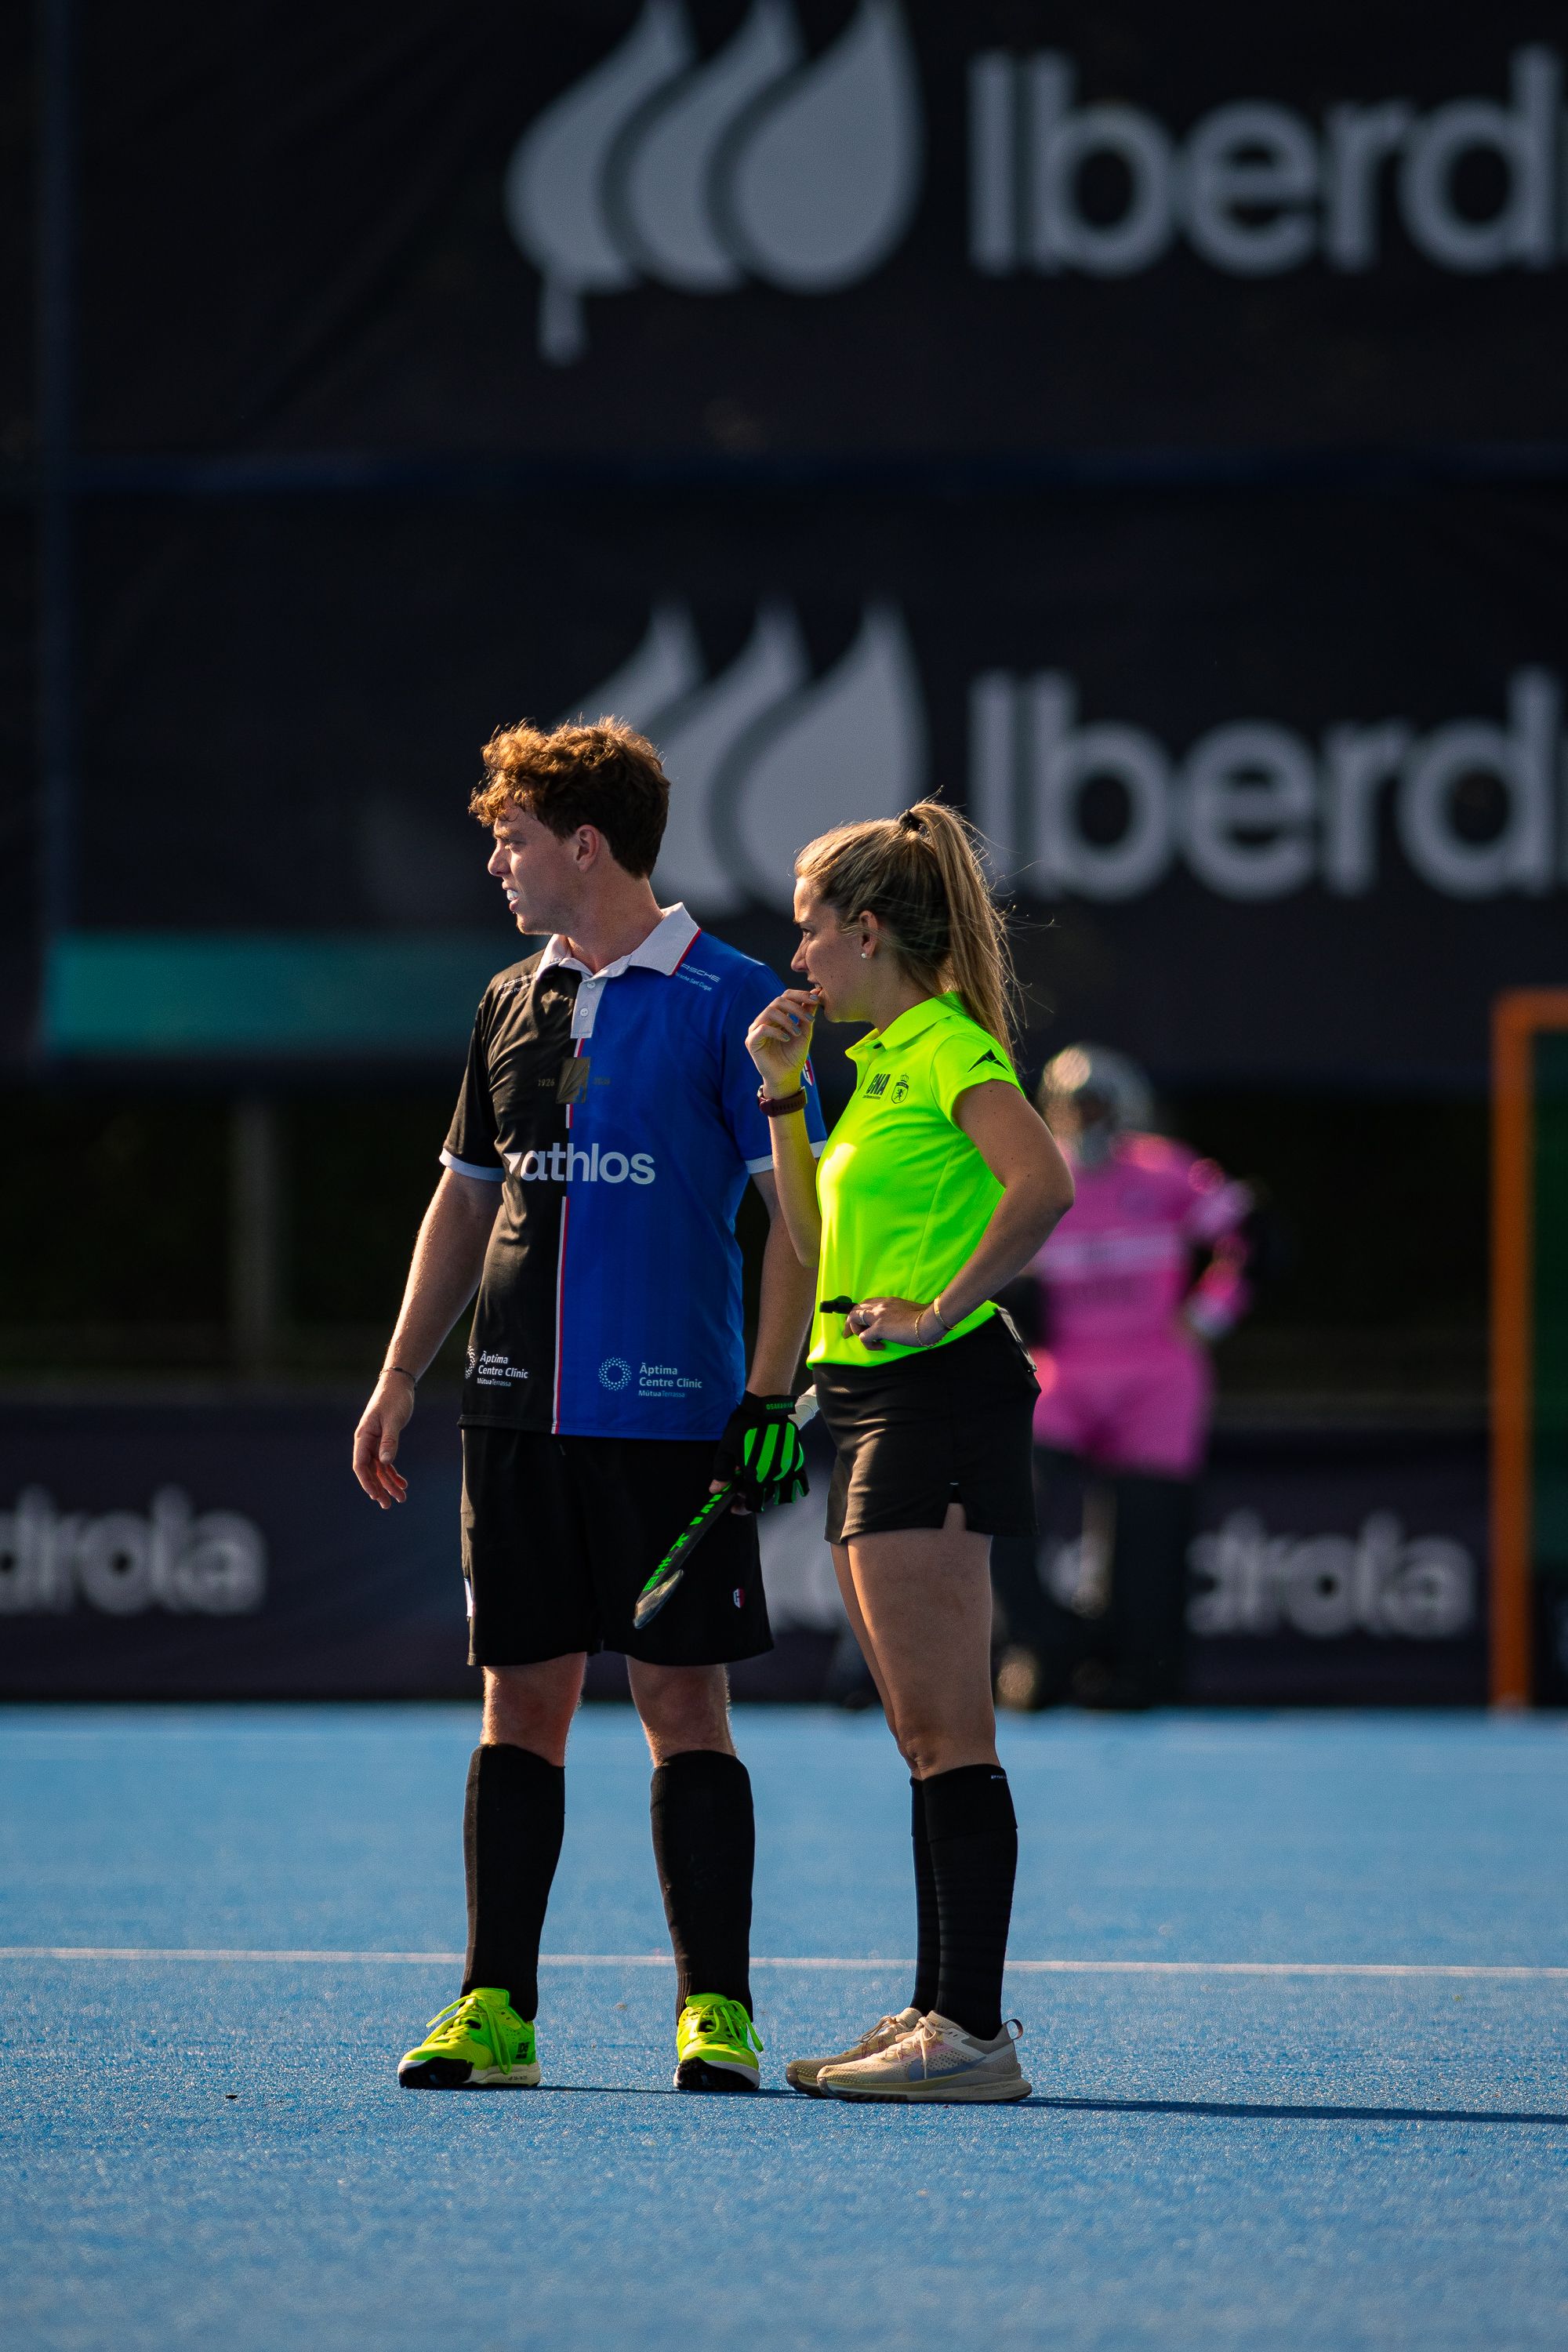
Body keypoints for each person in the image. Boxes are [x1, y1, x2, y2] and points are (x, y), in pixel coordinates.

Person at [352, 717, 823, 2094]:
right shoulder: (509, 999)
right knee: (522, 1705)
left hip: (677, 1423)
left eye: (510, 836)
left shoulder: (737, 999)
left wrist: (771, 1396)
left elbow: (797, 1221)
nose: (496, 859)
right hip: (513, 1418)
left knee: (685, 1704)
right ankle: (495, 2011)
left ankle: (717, 2012)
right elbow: (465, 1193)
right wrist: (397, 1373)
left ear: (586, 842)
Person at [746, 800, 1074, 2103]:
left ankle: (974, 2035)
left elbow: (1041, 1181)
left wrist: (941, 1305)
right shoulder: (876, 1064)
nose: (800, 957)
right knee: (918, 1728)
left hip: (940, 1392)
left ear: (867, 929)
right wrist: (782, 1097)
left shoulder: (943, 1046)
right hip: (875, 1400)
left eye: (810, 931)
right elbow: (819, 1251)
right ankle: (944, 2008)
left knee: (950, 1728)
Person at [991, 1044, 1252, 1711]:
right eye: (1075, 1105)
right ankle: (1047, 1648)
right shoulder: (1035, 1173)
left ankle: (1138, 1671)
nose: (1087, 1118)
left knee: (1149, 1540)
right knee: (996, 1505)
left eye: (1098, 1103)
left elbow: (1253, 1239)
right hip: (1061, 1378)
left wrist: (1209, 1317)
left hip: (1157, 1377)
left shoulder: (1168, 1172)